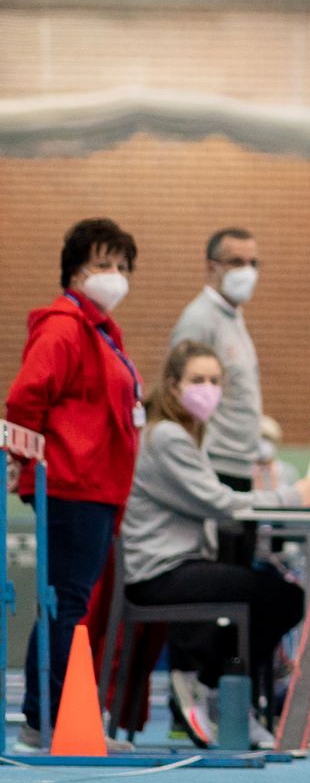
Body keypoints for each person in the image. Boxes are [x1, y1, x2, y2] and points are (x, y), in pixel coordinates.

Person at [122, 340, 310, 746]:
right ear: (173, 386)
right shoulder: (167, 437)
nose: (208, 389)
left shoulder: (189, 434)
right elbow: (219, 502)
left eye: (215, 381)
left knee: (271, 593)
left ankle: (213, 686)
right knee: (283, 598)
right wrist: (292, 496)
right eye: (198, 380)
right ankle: (210, 686)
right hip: (158, 573)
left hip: (179, 564)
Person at [5, 217, 143, 749]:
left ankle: (52, 719)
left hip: (97, 486)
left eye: (122, 266)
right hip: (69, 484)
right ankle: (50, 721)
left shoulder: (102, 332)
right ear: (75, 273)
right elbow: (24, 399)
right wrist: (25, 464)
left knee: (69, 603)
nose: (115, 275)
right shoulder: (64, 327)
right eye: (103, 264)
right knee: (66, 604)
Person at [169, 228, 265, 563]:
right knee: (228, 574)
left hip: (241, 465)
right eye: (236, 262)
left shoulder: (233, 318)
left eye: (253, 263)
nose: (247, 271)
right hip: (216, 467)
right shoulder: (199, 320)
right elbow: (181, 395)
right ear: (212, 267)